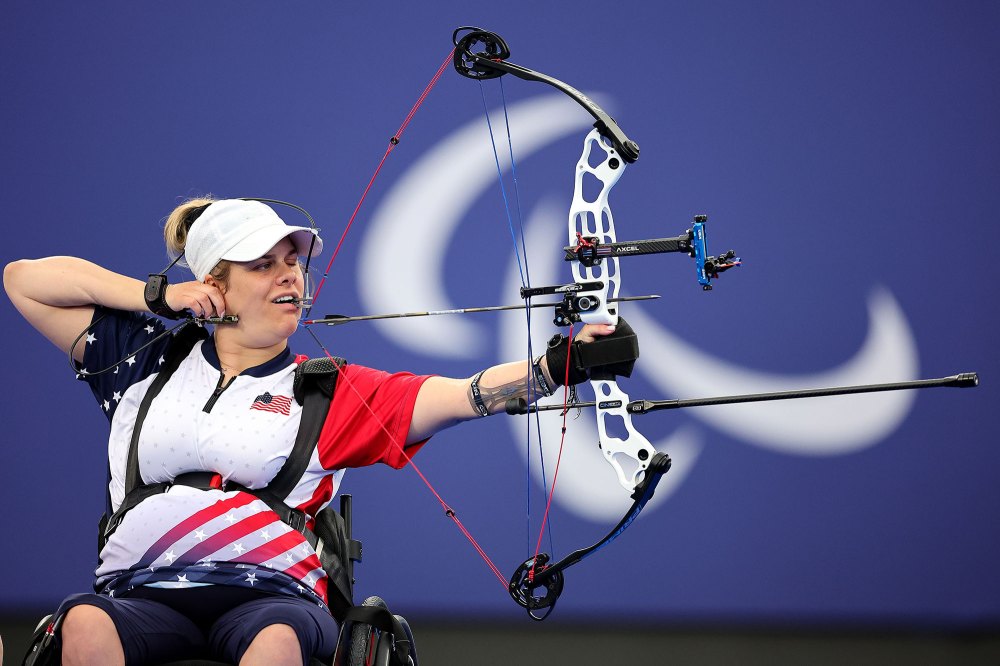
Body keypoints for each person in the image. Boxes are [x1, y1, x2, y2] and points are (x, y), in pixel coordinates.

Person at [3, 197, 622, 666]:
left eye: (294, 263)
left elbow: (461, 396)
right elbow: (23, 281)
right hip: (139, 592)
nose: (290, 277)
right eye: (264, 264)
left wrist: (554, 369)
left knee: (273, 643)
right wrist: (154, 296)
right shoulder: (140, 361)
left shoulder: (325, 389)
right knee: (83, 624)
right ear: (213, 285)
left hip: (272, 600)